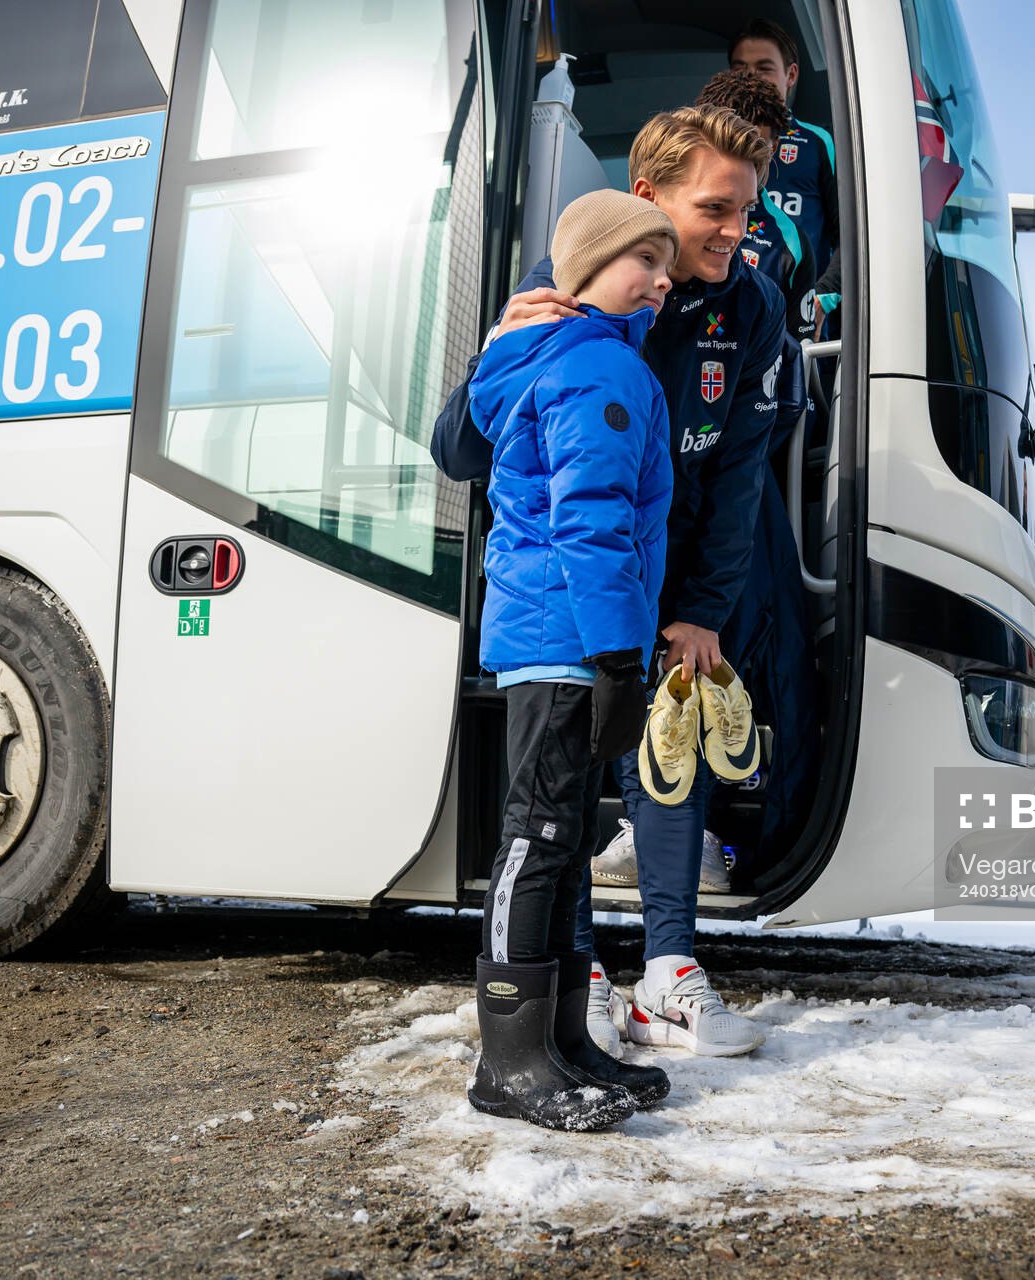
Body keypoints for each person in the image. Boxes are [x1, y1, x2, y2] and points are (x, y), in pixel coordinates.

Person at [432, 106, 785, 1059]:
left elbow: (741, 473)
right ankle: (576, 979)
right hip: (581, 577)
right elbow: (458, 449)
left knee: (667, 750)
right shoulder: (564, 288)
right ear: (644, 200)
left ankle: (670, 974)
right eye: (715, 209)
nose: (732, 233)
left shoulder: (750, 308)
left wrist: (703, 612)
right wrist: (497, 349)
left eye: (745, 213)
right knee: (570, 776)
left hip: (671, 563)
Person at [464, 190, 680, 1132]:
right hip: (570, 639)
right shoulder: (595, 368)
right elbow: (591, 520)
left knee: (561, 844)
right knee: (538, 840)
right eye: (645, 260)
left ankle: (558, 1045)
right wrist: (619, 657)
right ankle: (509, 1062)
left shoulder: (568, 359)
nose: (664, 280)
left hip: (563, 635)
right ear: (586, 269)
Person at [729, 18, 840, 311]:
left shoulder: (818, 143)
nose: (751, 78)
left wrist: (822, 298)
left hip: (797, 307)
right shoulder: (708, 144)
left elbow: (852, 236)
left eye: (764, 68)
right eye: (741, 68)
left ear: (791, 75)